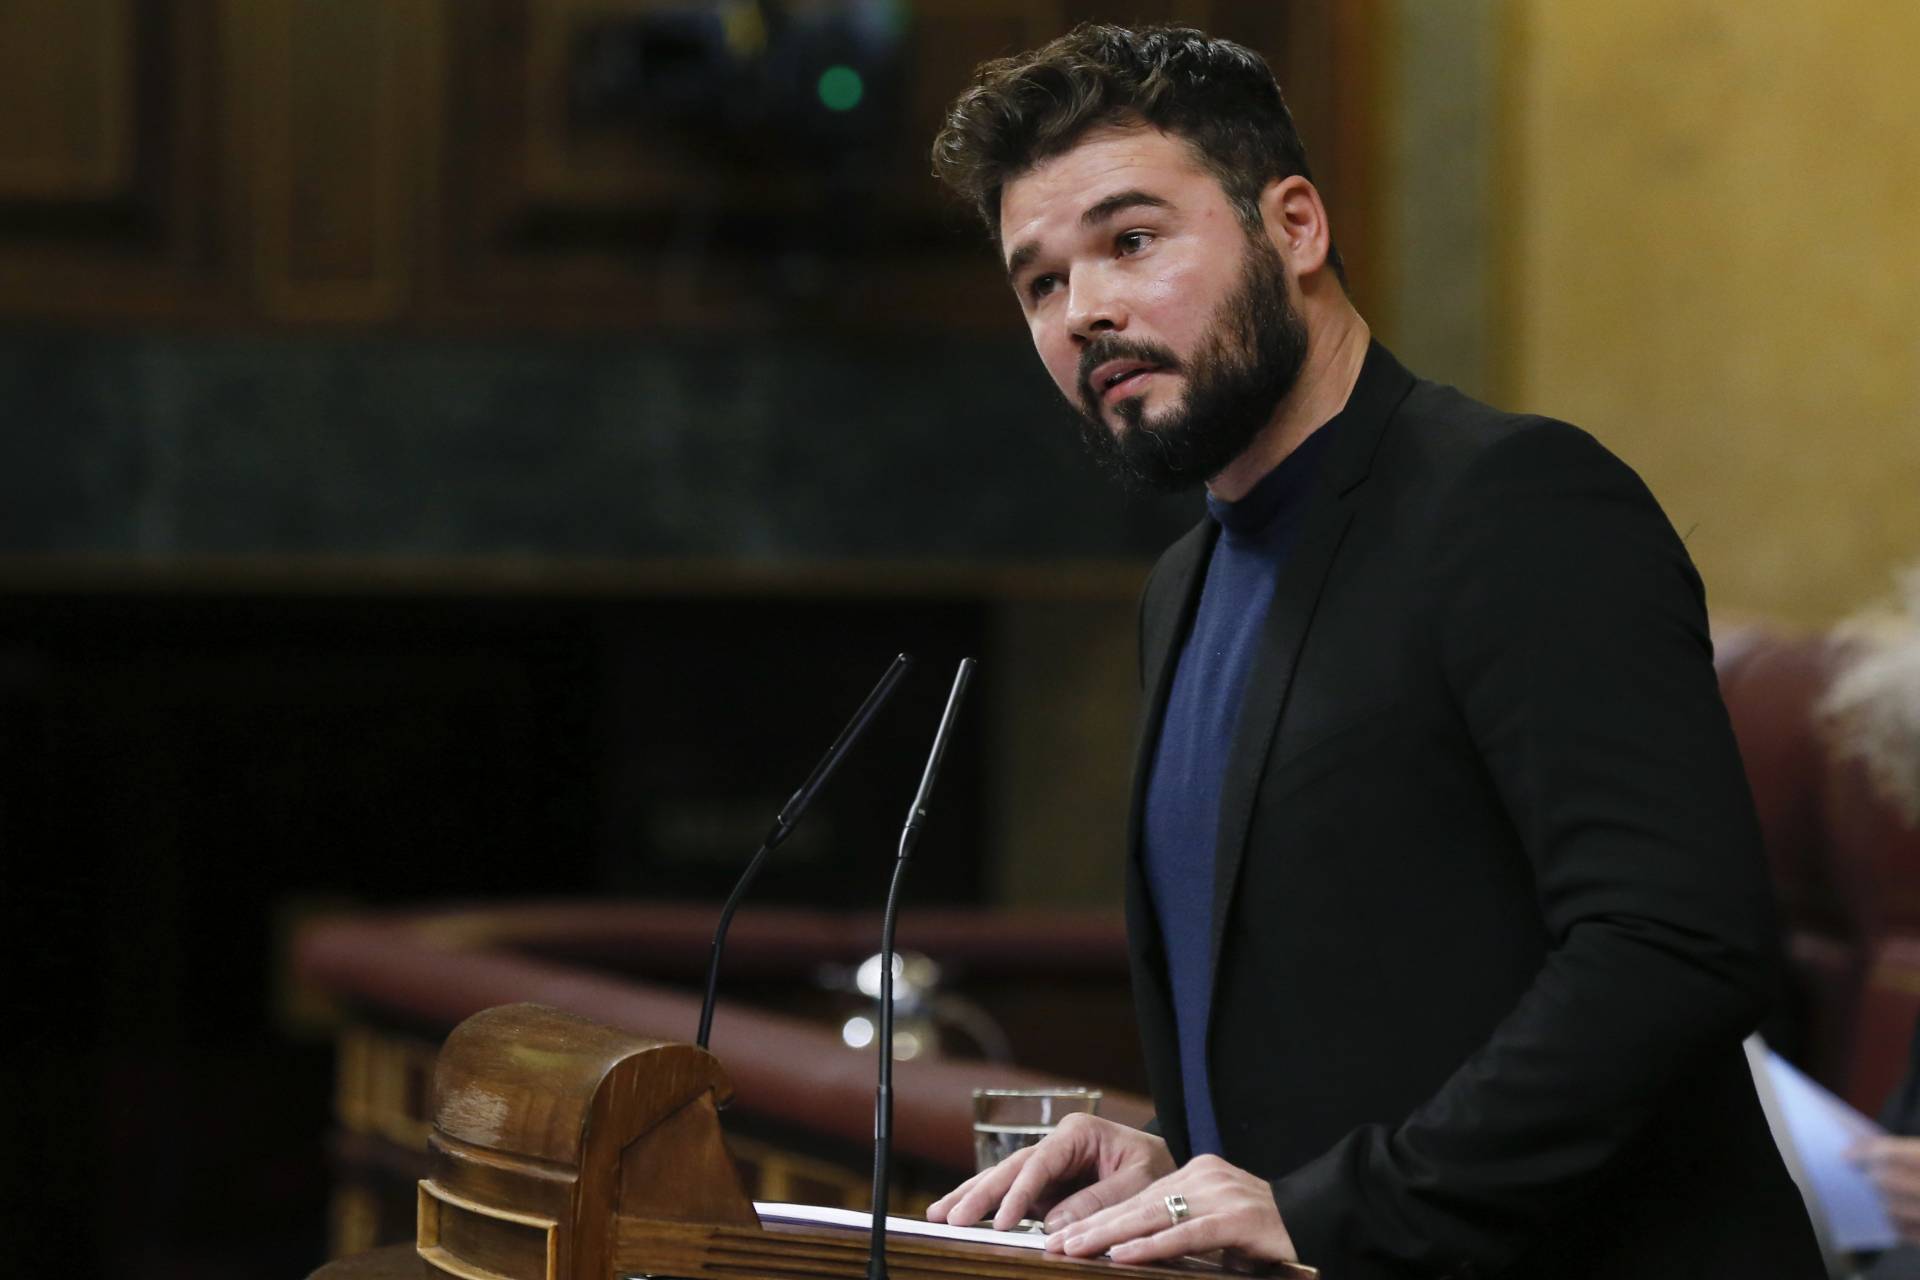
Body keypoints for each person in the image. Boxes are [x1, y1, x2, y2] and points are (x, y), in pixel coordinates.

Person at [922, 23, 1823, 1279]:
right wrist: (1177, 1151)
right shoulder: (1183, 584)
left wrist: (1338, 1206)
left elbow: (1676, 942)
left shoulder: (1515, 500)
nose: (1089, 311)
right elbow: (1344, 994)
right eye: (1039, 282)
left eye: (1132, 241)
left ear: (1295, 226)